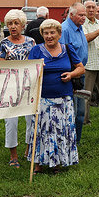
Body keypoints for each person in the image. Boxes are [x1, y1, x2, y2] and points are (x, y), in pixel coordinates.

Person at [26, 19, 84, 172]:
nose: (49, 36)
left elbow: (81, 68)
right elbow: (27, 72)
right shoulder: (36, 50)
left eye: (52, 33)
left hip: (64, 98)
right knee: (41, 131)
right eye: (46, 33)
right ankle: (38, 163)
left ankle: (58, 162)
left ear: (59, 34)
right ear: (42, 35)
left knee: (60, 130)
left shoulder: (67, 48)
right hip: (43, 98)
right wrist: (37, 69)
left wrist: (71, 75)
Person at [0, 9, 36, 168]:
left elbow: (36, 61)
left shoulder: (31, 42)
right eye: (10, 24)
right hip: (10, 88)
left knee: (31, 120)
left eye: (16, 23)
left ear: (23, 25)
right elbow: (0, 64)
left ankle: (28, 149)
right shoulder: (3, 43)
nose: (13, 27)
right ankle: (13, 155)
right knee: (11, 122)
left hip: (29, 86)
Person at [60, 2, 89, 143]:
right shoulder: (64, 30)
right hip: (71, 76)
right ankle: (70, 142)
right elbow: (62, 54)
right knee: (73, 111)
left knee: (80, 112)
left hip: (80, 74)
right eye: (81, 15)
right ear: (71, 15)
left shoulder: (79, 27)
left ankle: (76, 142)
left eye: (85, 15)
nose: (84, 17)